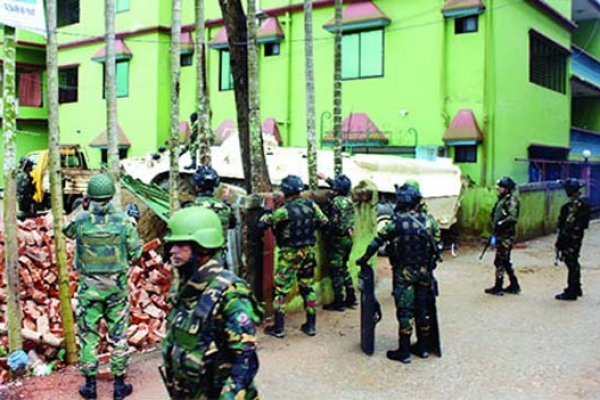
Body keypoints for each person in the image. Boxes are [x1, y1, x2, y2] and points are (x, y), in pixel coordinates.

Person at [161, 206, 262, 399]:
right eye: (172, 245)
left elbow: (246, 359)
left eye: (181, 244)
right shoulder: (187, 287)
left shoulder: (230, 292)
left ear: (203, 247)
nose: (172, 251)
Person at [62, 173, 142, 400]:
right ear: (112, 194)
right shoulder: (125, 221)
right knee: (118, 336)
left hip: (88, 290)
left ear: (90, 196)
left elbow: (65, 230)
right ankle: (118, 387)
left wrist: (82, 208)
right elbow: (136, 254)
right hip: (116, 290)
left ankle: (90, 387)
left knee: (88, 337)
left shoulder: (80, 220)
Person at [356, 184, 438, 364]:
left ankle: (405, 351)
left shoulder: (396, 223)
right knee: (422, 310)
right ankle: (423, 348)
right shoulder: (429, 221)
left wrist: (363, 260)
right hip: (425, 273)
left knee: (405, 311)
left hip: (403, 274)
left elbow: (376, 243)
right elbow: (437, 246)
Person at [258, 174, 329, 338]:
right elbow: (324, 222)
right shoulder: (311, 205)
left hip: (290, 253)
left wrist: (267, 211)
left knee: (281, 290)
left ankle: (279, 328)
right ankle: (311, 326)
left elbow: (262, 224)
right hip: (309, 251)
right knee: (307, 287)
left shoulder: (285, 211)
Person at [317, 172, 357, 312]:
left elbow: (332, 224)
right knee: (344, 268)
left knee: (335, 271)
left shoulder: (335, 203)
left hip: (338, 240)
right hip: (348, 240)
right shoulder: (349, 199)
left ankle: (339, 302)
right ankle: (351, 298)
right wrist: (325, 177)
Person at [554, 178, 592, 301]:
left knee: (571, 262)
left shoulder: (574, 205)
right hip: (577, 235)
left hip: (571, 236)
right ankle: (576, 287)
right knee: (574, 261)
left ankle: (572, 291)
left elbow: (568, 224)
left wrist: (560, 241)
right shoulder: (583, 203)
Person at [190, 164, 236, 262]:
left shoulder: (190, 207)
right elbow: (232, 224)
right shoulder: (225, 209)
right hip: (219, 259)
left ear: (197, 186)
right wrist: (225, 203)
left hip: (196, 260)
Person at [485, 176, 521, 296]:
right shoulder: (503, 199)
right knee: (504, 260)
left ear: (507, 188)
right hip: (500, 233)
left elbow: (512, 217)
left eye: (501, 187)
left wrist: (501, 224)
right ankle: (514, 284)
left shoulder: (511, 200)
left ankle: (499, 286)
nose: (499, 189)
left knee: (500, 260)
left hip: (506, 234)